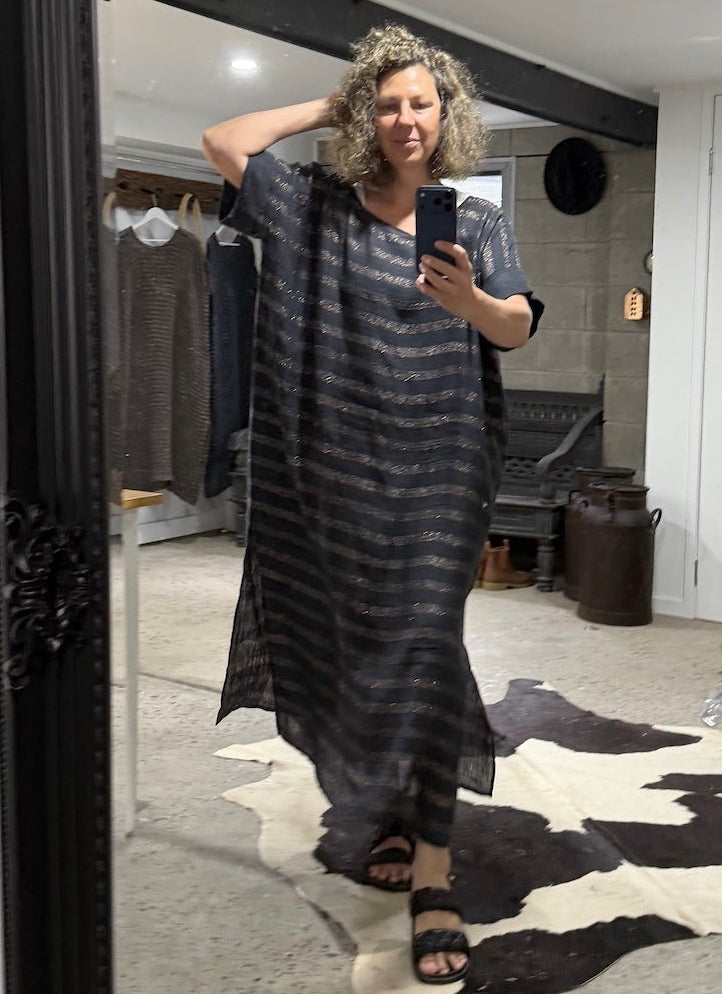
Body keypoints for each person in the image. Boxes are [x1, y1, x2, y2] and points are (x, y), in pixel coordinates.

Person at [202, 23, 542, 985]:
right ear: (367, 112)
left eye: (421, 102)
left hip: (440, 468)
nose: (404, 119)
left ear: (448, 116)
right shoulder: (311, 205)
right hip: (331, 470)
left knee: (427, 652)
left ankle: (432, 873)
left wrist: (469, 300)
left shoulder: (469, 222)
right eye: (386, 102)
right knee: (353, 647)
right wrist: (335, 97)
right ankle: (391, 808)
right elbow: (225, 141)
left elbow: (514, 328)